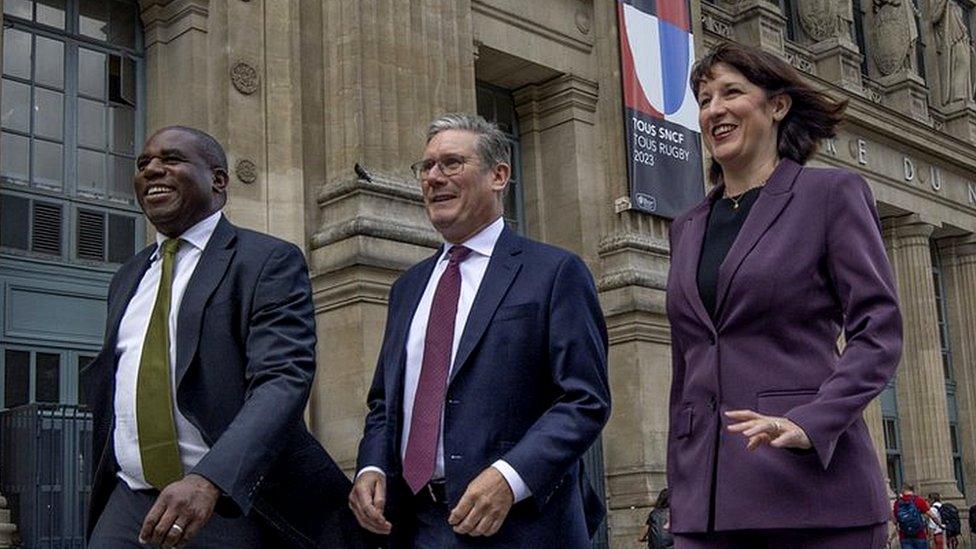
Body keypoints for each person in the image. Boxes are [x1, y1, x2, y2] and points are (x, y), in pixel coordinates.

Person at [665, 41, 902, 548]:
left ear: (777, 105)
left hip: (811, 494)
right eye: (705, 100)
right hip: (705, 506)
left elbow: (878, 331)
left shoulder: (831, 196)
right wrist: (682, 488)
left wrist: (812, 423)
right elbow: (688, 363)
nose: (714, 110)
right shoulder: (686, 227)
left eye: (732, 93)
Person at [81, 126, 363, 548]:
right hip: (131, 502)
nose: (153, 170)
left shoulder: (267, 261)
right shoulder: (127, 277)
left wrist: (210, 478)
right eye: (143, 164)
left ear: (218, 180)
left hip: (227, 500)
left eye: (171, 159)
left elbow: (282, 380)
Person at [349, 113, 611, 546]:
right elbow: (384, 404)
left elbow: (585, 399)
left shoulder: (554, 272)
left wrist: (511, 477)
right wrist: (371, 466)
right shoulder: (407, 288)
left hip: (522, 526)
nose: (434, 177)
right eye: (427, 166)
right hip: (417, 526)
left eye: (451, 163)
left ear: (499, 175)